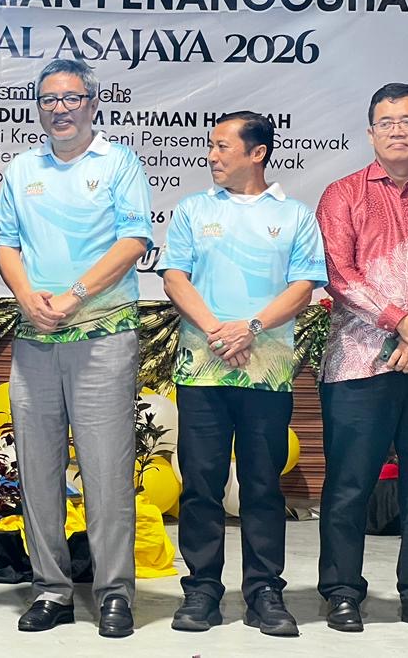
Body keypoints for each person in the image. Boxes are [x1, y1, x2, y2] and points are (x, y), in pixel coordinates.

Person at [0, 58, 150, 638]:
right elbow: (5, 244)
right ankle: (51, 589)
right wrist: (27, 296)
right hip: (35, 336)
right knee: (38, 471)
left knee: (106, 470)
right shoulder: (21, 168)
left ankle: (114, 593)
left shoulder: (119, 162)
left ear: (92, 103)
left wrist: (74, 295)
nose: (60, 109)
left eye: (71, 98)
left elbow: (133, 240)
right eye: (49, 99)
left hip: (102, 334)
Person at [159, 111, 327, 637]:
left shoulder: (294, 215)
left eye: (222, 146)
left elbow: (304, 286)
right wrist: (218, 331)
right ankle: (202, 590)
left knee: (262, 484)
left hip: (266, 373)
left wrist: (250, 328)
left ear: (258, 153)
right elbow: (174, 277)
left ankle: (265, 593)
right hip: (202, 369)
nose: (212, 155)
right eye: (210, 146)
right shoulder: (193, 209)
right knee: (200, 484)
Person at [316, 82, 408, 633]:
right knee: (349, 484)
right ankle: (342, 591)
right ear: (370, 132)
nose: (397, 131)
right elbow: (338, 275)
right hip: (359, 363)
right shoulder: (343, 194)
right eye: (386, 122)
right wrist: (402, 323)